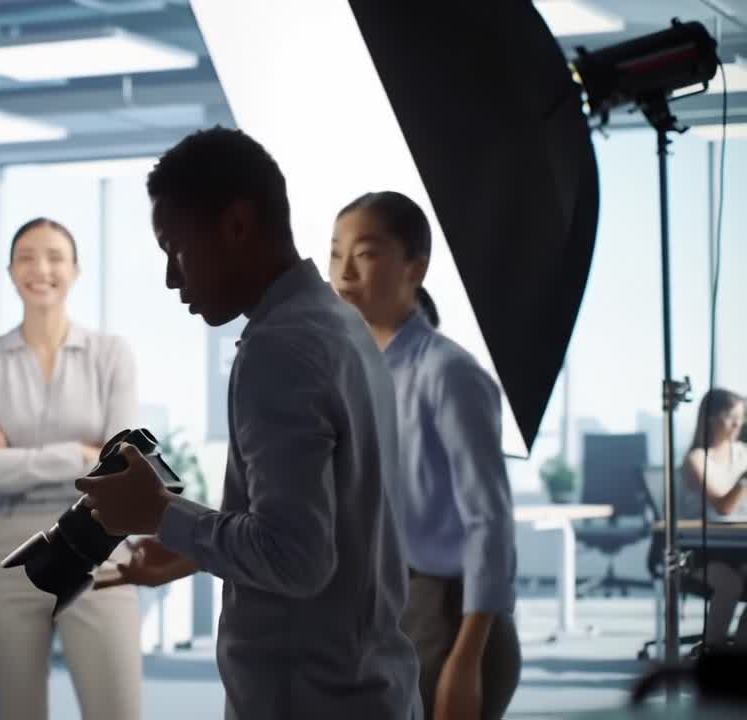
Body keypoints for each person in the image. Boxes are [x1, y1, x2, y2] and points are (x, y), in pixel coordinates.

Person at [79, 127, 420, 719]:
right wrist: (189, 548)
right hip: (370, 687)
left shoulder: (279, 348)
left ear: (237, 224)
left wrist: (159, 513)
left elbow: (297, 559)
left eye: (175, 248)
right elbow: (329, 530)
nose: (170, 277)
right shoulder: (341, 326)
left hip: (309, 699)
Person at [328, 190, 521, 720]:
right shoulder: (352, 373)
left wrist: (466, 661)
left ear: (415, 267)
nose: (344, 271)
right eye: (335, 252)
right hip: (384, 608)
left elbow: (490, 521)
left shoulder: (448, 374)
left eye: (365, 253)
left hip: (451, 617)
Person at [0, 217, 143, 720]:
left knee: (118, 711)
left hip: (97, 545)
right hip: (7, 554)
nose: (40, 269)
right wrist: (79, 454)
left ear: (76, 270)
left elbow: (121, 467)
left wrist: (15, 454)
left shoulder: (111, 354)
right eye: (26, 257)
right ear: (10, 271)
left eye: (55, 257)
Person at [682, 388, 747, 646]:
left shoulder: (742, 452)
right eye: (732, 417)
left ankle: (741, 649)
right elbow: (723, 506)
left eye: (741, 417)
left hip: (739, 546)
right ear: (711, 418)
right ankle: (714, 649)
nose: (738, 424)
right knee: (730, 584)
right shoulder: (696, 460)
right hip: (699, 550)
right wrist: (743, 481)